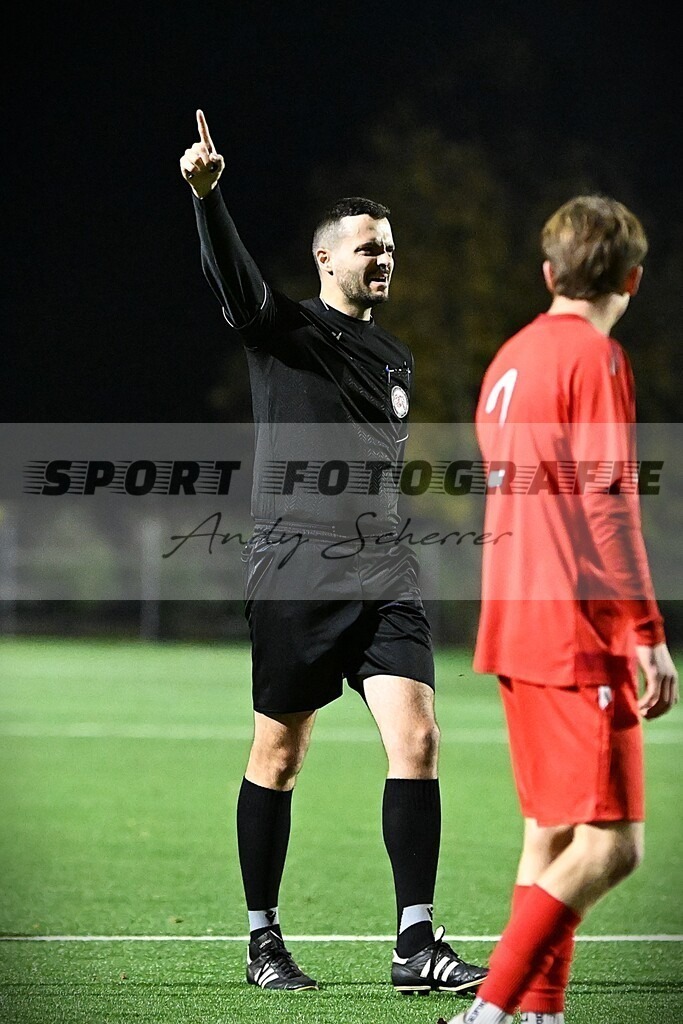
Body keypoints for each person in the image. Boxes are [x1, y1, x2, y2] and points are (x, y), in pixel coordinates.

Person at [179, 110, 487, 997]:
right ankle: (262, 941)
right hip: (295, 566)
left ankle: (415, 943)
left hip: (383, 569)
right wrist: (207, 200)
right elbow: (235, 284)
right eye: (365, 247)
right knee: (279, 756)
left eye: (387, 247)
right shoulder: (285, 331)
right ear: (324, 259)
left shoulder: (395, 356)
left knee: (418, 738)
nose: (382, 258)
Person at [441, 194, 679, 1024]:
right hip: (575, 627)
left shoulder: (509, 358)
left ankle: (536, 1013)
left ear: (548, 274)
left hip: (514, 620)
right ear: (632, 280)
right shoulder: (593, 358)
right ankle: (490, 1011)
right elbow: (607, 505)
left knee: (549, 830)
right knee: (612, 846)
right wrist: (645, 630)